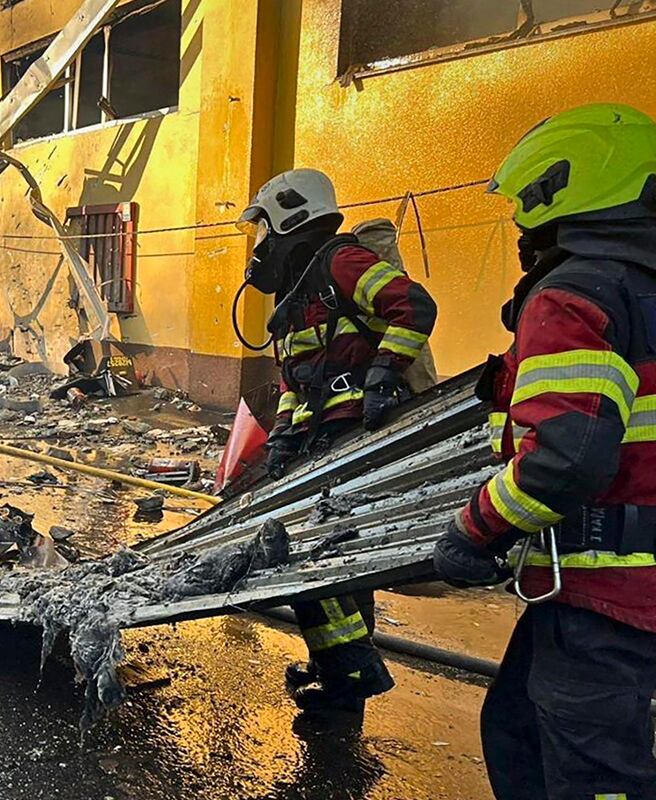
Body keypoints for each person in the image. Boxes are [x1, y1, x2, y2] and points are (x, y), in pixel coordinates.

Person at [432, 102, 656, 799]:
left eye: (525, 212)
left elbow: (567, 454)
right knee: (519, 727)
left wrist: (475, 528)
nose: (522, 230)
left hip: (605, 592)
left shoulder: (574, 295)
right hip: (635, 588)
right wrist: (508, 376)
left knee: (592, 775)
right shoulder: (636, 289)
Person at [238, 168, 437, 713]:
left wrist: (383, 377)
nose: (259, 245)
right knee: (330, 561)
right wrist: (281, 435)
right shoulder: (299, 292)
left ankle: (350, 680)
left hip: (354, 435)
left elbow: (413, 307)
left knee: (314, 558)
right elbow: (294, 381)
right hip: (316, 439)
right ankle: (341, 670)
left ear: (289, 217)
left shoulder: (341, 262)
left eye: (263, 229)